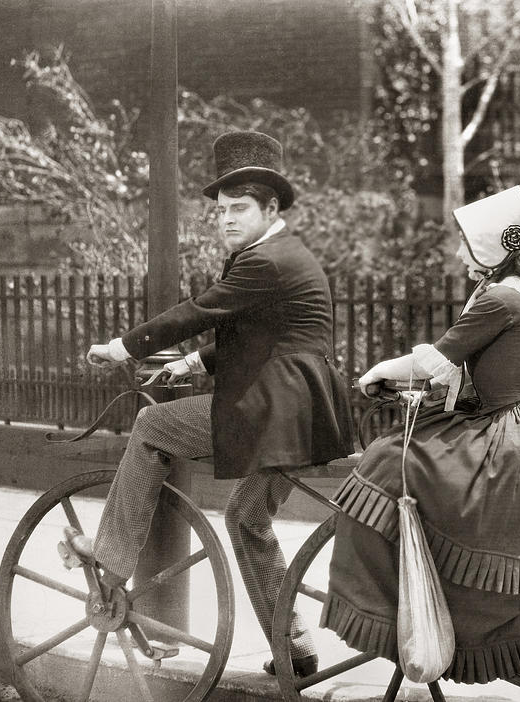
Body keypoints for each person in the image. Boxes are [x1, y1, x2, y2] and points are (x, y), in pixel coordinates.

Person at [62, 130, 355, 677]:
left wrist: (124, 346)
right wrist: (194, 364)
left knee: (152, 423)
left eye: (239, 209)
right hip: (301, 411)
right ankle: (295, 649)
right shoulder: (280, 255)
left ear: (271, 208)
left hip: (275, 410)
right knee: (247, 518)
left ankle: (111, 556)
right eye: (221, 210)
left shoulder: (265, 261)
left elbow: (199, 310)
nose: (226, 219)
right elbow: (263, 335)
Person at [321, 185, 520, 684]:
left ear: (493, 248)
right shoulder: (505, 291)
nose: (459, 252)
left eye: (466, 242)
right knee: (405, 459)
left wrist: (376, 370)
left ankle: (399, 608)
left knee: (386, 462)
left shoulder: (501, 297)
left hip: (511, 435)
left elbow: (433, 359)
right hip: (515, 423)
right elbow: (458, 370)